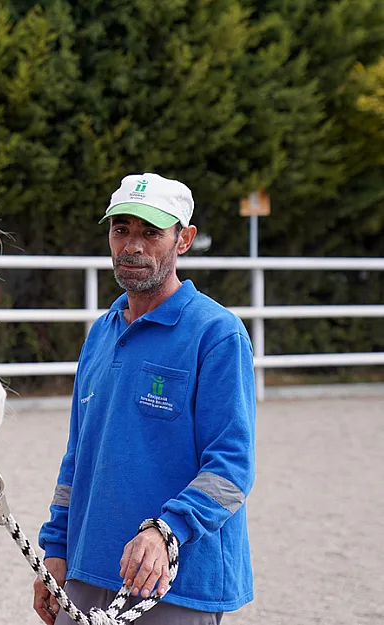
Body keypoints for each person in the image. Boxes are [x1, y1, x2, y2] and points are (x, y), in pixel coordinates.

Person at [34, 173, 255, 624]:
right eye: (122, 230)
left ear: (184, 239)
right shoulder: (101, 332)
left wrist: (166, 532)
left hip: (177, 584)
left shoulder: (217, 334)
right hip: (85, 570)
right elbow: (78, 456)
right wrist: (55, 550)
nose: (132, 246)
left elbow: (231, 467)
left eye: (151, 232)